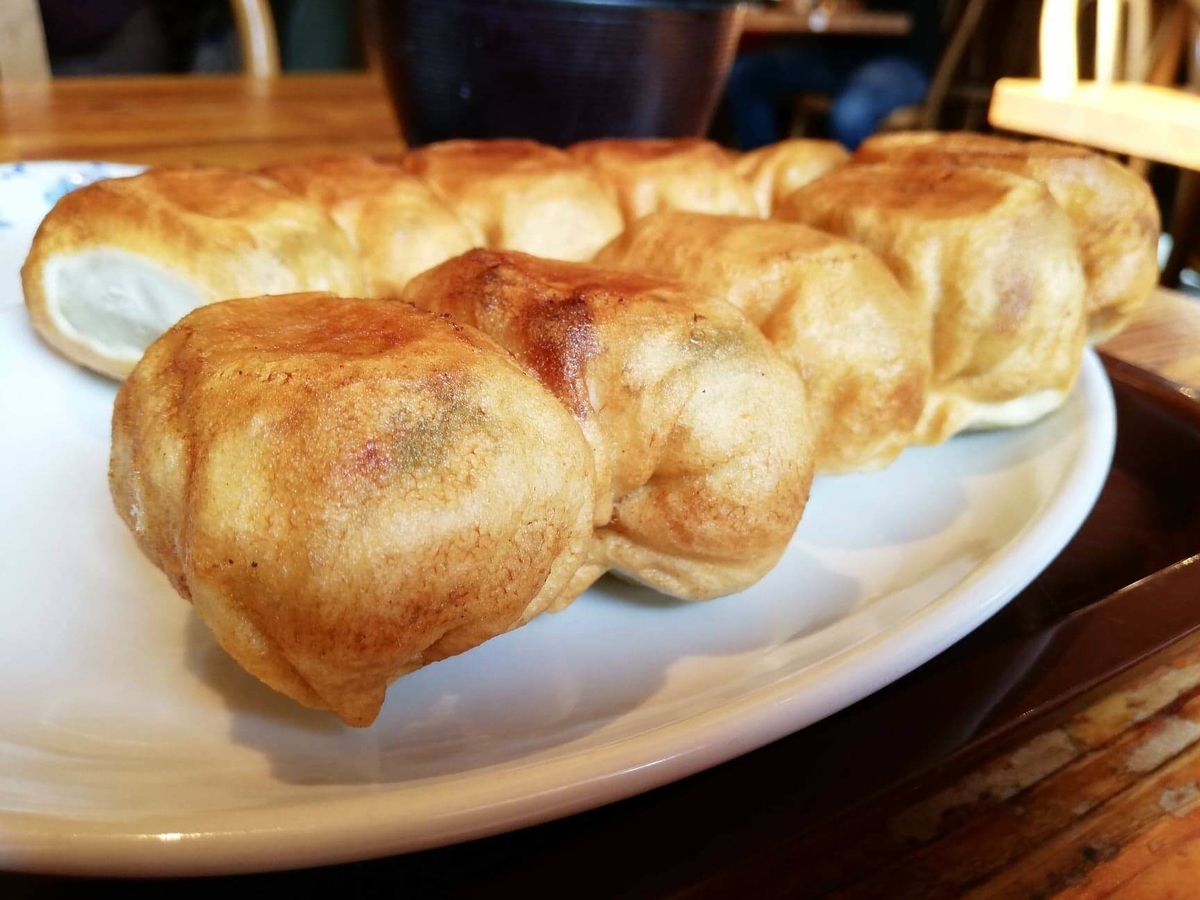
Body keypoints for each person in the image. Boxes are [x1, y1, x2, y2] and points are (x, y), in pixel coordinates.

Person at [726, 0, 941, 150]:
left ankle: (856, 200)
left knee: (851, 112)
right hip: (836, 55)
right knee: (746, 74)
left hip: (900, 57)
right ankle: (765, 175)